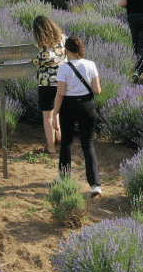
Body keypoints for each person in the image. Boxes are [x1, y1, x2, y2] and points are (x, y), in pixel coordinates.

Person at [53, 36, 101, 196]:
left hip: (69, 106)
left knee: (66, 142)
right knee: (88, 144)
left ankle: (64, 177)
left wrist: (54, 115)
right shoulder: (91, 64)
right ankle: (95, 185)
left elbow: (60, 93)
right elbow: (97, 90)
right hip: (87, 106)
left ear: (67, 51)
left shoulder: (64, 68)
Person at [32, 16, 65, 154]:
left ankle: (51, 148)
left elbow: (35, 64)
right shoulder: (63, 39)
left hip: (46, 84)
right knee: (57, 111)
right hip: (62, 82)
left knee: (48, 116)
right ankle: (59, 138)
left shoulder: (39, 47)